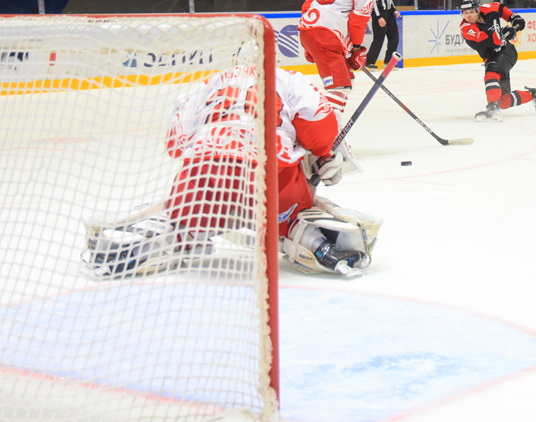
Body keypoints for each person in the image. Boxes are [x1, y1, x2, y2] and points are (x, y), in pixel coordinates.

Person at [85, 63, 379, 278]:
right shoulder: (292, 80)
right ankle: (312, 240)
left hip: (205, 171)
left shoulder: (208, 84)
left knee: (184, 217)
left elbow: (175, 143)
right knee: (292, 213)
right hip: (271, 172)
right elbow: (321, 132)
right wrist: (323, 155)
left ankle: (159, 241)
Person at [299, 0, 379, 118]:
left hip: (310, 29)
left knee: (346, 81)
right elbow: (359, 18)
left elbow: (308, 4)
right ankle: (325, 129)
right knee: (339, 88)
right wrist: (356, 48)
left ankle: (327, 126)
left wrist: (309, 44)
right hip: (327, 34)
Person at [458, 0, 536, 122]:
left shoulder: (487, 9)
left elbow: (499, 8)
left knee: (491, 74)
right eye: (465, 13)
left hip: (506, 52)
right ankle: (535, 95)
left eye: (471, 12)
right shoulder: (466, 28)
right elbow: (491, 40)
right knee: (504, 101)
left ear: (478, 10)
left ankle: (492, 107)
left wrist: (513, 17)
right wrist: (504, 33)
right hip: (492, 57)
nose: (468, 15)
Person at [366, 0, 398, 69]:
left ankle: (388, 61)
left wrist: (394, 10)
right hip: (379, 12)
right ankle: (370, 62)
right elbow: (373, 0)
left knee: (394, 37)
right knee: (379, 37)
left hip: (389, 12)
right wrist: (379, 16)